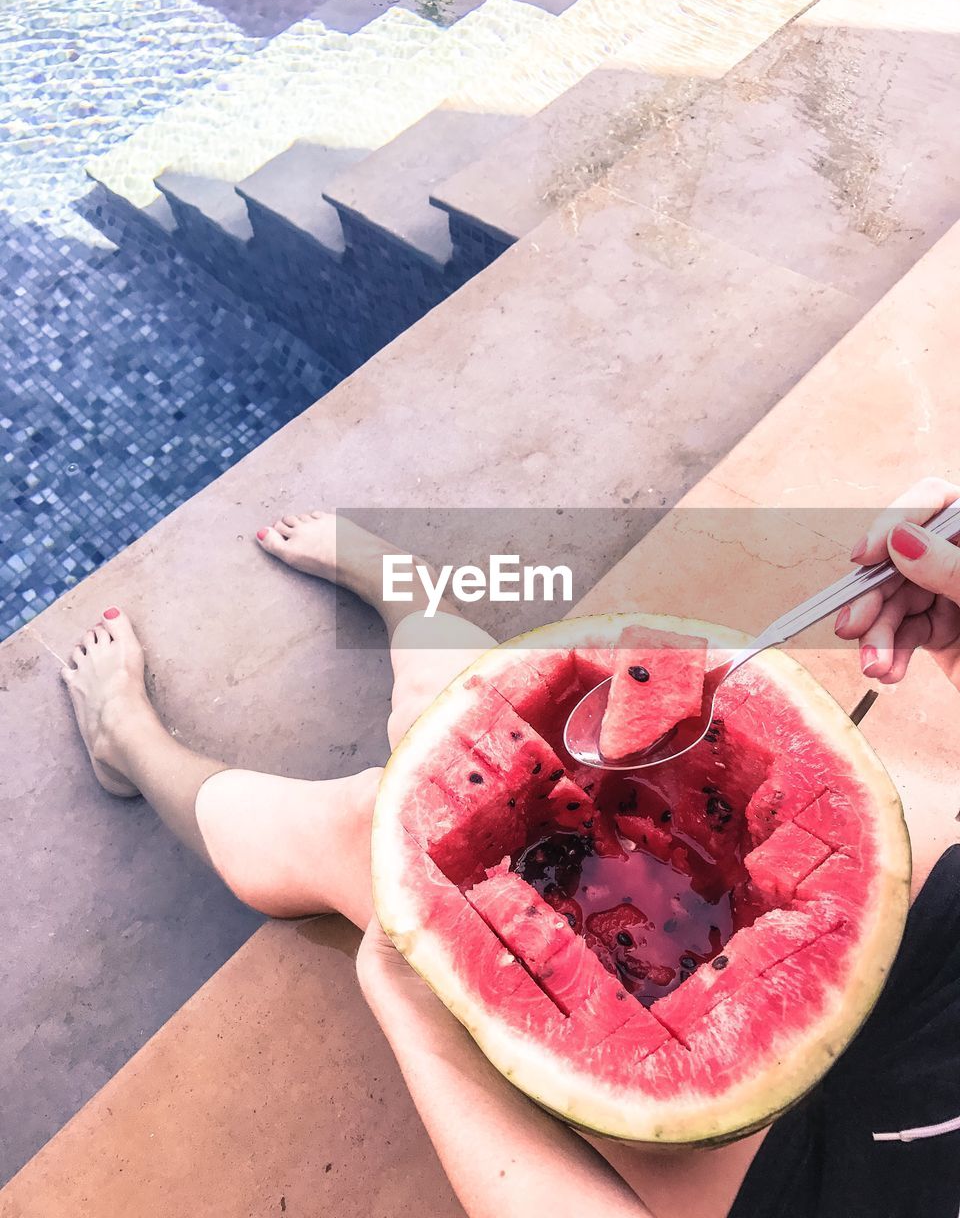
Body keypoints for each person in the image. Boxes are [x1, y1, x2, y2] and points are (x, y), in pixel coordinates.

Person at [60, 480, 960, 1218]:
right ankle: (418, 614)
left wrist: (412, 1009)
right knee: (492, 737)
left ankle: (132, 744)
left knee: (371, 821)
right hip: (926, 966)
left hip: (807, 1173)